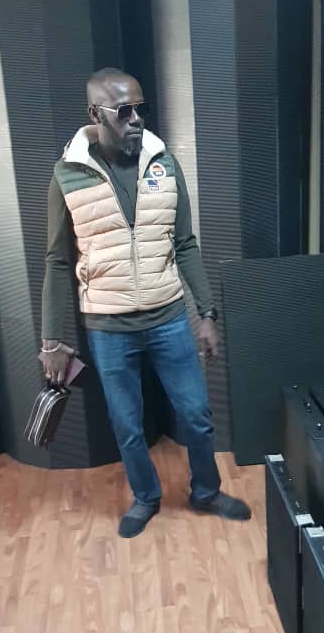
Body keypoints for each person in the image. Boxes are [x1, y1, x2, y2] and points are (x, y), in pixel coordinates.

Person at [40, 67, 251, 537]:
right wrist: (51, 340)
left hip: (168, 318)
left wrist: (207, 313)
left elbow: (186, 244)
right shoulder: (67, 175)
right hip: (108, 327)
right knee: (127, 425)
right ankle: (146, 497)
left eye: (141, 108)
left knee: (196, 414)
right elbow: (57, 260)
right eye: (123, 111)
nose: (135, 119)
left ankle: (206, 491)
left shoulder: (164, 164)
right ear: (95, 114)